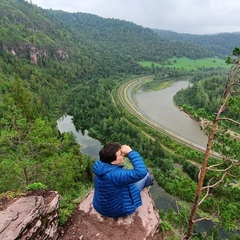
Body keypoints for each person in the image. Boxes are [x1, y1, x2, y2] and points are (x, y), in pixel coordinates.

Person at [93, 142, 154, 218]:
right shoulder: (115, 175)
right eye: (121, 154)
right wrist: (130, 152)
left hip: (99, 206)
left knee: (145, 173)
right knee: (146, 174)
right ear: (113, 161)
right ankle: (149, 180)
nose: (123, 155)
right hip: (117, 210)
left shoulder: (100, 165)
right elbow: (141, 172)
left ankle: (149, 179)